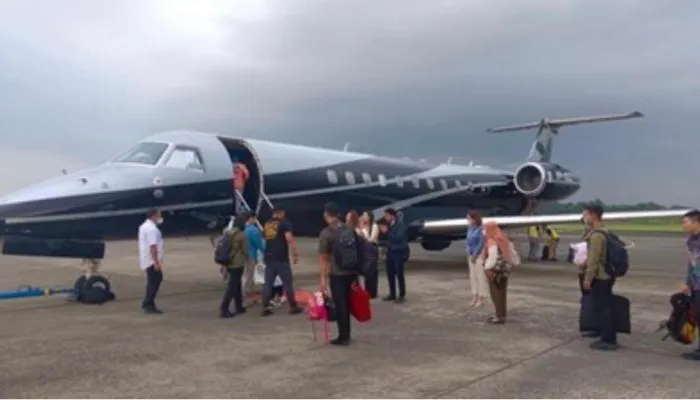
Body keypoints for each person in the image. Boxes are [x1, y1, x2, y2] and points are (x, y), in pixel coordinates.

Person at [319, 202, 361, 346]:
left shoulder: (326, 233)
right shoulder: (349, 229)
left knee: (340, 304)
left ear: (326, 215)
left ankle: (343, 336)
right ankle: (346, 333)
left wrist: (323, 281)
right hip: (351, 272)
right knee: (348, 304)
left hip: (337, 274)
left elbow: (324, 259)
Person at [581, 204, 618, 351]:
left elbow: (594, 260)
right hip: (606, 275)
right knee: (600, 306)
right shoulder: (601, 232)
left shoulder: (597, 236)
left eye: (585, 215)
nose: (584, 218)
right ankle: (600, 330)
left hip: (601, 277)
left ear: (593, 215)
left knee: (603, 307)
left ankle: (609, 340)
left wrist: (588, 278)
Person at [260, 207, 303, 316]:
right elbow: (289, 238)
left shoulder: (267, 224)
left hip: (269, 257)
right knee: (287, 282)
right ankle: (293, 306)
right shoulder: (285, 223)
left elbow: (264, 240)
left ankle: (264, 307)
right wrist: (295, 253)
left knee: (268, 283)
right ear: (282, 213)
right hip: (280, 257)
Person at [482, 221, 516, 324]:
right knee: (502, 294)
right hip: (504, 270)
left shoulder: (492, 241)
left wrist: (486, 268)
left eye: (485, 229)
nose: (484, 231)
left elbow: (492, 258)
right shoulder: (502, 238)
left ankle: (498, 316)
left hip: (496, 271)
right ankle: (501, 315)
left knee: (496, 294)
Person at [219, 214, 249, 318]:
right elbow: (245, 250)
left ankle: (238, 305)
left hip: (228, 261)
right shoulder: (241, 235)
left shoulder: (228, 232)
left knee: (236, 284)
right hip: (238, 263)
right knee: (233, 286)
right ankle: (224, 308)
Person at [680, 209, 700, 361]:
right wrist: (688, 282)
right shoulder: (691, 240)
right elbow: (691, 264)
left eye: (685, 222)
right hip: (695, 285)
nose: (683, 225)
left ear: (695, 222)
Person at [379, 208, 409, 303]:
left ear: (392, 216)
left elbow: (398, 238)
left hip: (399, 252)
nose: (385, 217)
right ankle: (392, 294)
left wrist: (387, 232)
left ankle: (401, 295)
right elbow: (387, 238)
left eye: (387, 215)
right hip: (390, 252)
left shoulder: (400, 225)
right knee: (390, 274)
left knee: (399, 274)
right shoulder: (389, 225)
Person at [138, 209, 165, 314]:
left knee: (154, 280)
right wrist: (156, 262)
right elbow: (153, 246)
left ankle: (149, 302)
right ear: (153, 216)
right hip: (151, 260)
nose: (160, 217)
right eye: (159, 215)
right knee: (155, 280)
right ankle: (148, 303)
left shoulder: (144, 226)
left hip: (147, 258)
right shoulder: (151, 229)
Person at [466, 211, 488, 307]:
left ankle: (481, 297)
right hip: (470, 255)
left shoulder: (481, 229)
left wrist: (475, 254)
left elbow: (481, 243)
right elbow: (467, 241)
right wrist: (468, 251)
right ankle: (474, 295)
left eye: (469, 218)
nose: (468, 220)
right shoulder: (469, 229)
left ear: (475, 219)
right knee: (473, 276)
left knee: (480, 277)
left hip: (478, 255)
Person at [243, 212, 265, 306]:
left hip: (243, 256)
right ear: (251, 218)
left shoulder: (242, 228)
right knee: (251, 277)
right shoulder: (253, 230)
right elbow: (259, 244)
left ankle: (248, 297)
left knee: (247, 276)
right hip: (251, 255)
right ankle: (248, 299)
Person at [359, 211, 380, 299]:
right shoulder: (362, 226)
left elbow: (371, 239)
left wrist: (363, 231)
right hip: (364, 250)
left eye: (365, 215)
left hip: (372, 250)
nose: (363, 217)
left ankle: (372, 292)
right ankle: (366, 290)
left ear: (369, 217)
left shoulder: (374, 226)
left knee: (372, 270)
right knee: (366, 271)